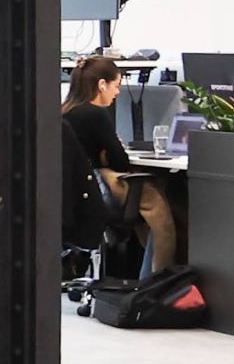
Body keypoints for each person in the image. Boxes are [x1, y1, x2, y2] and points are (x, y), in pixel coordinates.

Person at [63, 54, 181, 271]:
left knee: (143, 214)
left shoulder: (65, 111)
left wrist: (104, 154)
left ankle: (146, 271)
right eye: (116, 86)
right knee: (161, 214)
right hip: (100, 184)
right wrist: (109, 152)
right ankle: (159, 277)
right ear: (102, 85)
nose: (117, 93)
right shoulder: (96, 114)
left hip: (77, 188)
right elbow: (120, 162)